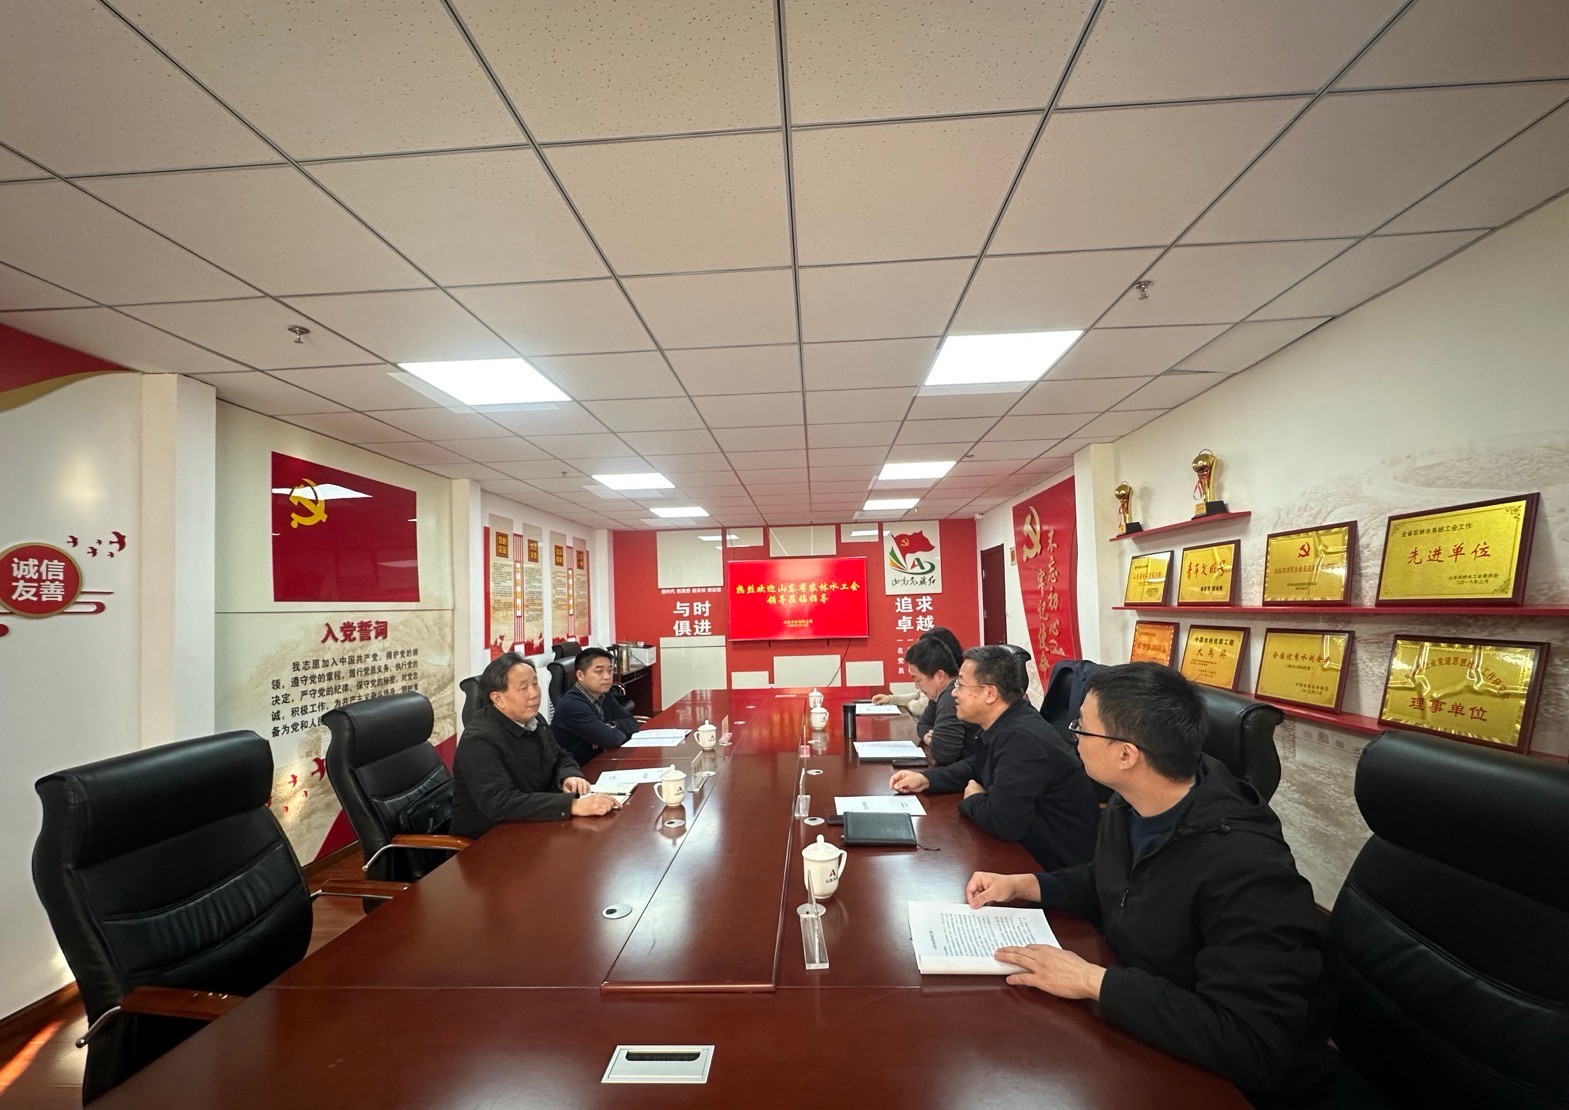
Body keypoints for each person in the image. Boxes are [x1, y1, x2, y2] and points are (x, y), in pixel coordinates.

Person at [965, 662, 1336, 1110]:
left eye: (1082, 727)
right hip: (1145, 1019)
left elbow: (1251, 1041)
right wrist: (1027, 885)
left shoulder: (1247, 869)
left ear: (1127, 754)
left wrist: (1093, 981)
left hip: (1228, 1084)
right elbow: (1116, 878)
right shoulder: (1134, 802)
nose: (1072, 735)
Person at [890, 644, 1098, 871]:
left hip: (1055, 867)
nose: (954, 693)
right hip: (1026, 853)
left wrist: (973, 799)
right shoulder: (1008, 722)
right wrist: (927, 780)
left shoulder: (1022, 740)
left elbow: (1004, 823)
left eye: (960, 684)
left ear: (990, 693)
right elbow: (976, 765)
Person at [450, 652, 616, 837]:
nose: (535, 694)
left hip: (531, 823)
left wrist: (568, 776)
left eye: (535, 684)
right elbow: (500, 802)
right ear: (498, 699)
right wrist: (572, 805)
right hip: (489, 839)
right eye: (523, 688)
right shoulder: (479, 741)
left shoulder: (534, 720)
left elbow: (560, 755)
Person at [551, 646, 640, 766]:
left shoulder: (604, 694)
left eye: (610, 670)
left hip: (599, 760)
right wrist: (614, 731)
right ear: (580, 675)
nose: (607, 677)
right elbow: (612, 739)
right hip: (577, 769)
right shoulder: (573, 705)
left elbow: (632, 722)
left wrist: (611, 726)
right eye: (599, 671)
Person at [900, 636, 980, 766]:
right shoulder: (939, 695)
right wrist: (931, 737)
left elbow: (944, 754)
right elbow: (923, 724)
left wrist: (935, 740)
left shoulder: (951, 697)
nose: (917, 686)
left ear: (940, 676)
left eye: (918, 680)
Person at [873, 626, 966, 728]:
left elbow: (920, 707)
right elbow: (923, 722)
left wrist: (908, 704)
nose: (917, 686)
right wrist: (891, 699)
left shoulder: (951, 692)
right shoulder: (935, 693)